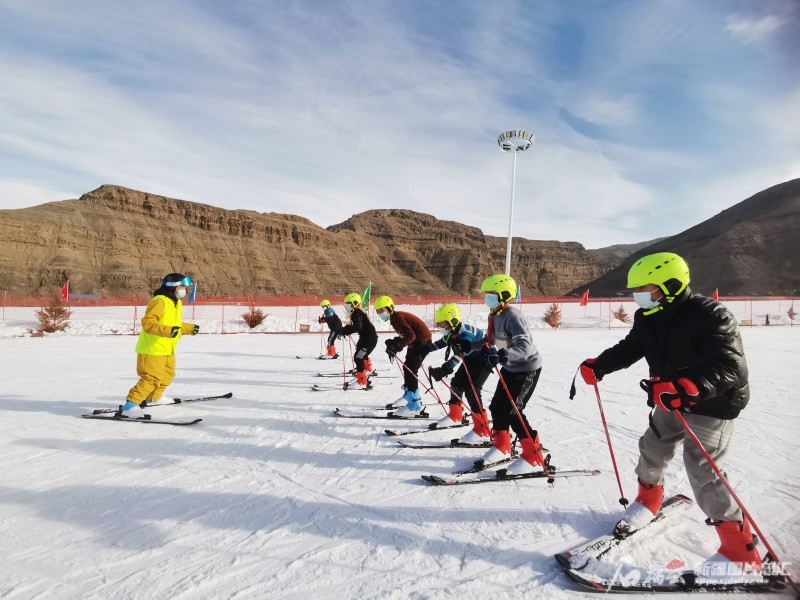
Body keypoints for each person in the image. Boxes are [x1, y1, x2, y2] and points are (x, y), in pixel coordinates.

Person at [579, 252, 761, 576]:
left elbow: (732, 366)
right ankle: (649, 500)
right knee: (652, 447)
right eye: (636, 290)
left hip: (713, 403)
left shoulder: (711, 315)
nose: (639, 297)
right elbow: (631, 348)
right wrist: (601, 364)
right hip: (670, 399)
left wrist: (690, 386)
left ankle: (740, 550)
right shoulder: (647, 316)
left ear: (671, 286)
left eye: (646, 289)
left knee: (703, 469)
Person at [478, 274, 546, 475]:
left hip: (527, 368)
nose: (487, 298)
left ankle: (533, 456)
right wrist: (470, 345)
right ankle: (502, 446)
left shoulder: (513, 317)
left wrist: (504, 355)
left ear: (504, 295)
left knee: (512, 410)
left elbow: (525, 347)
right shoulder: (494, 315)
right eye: (486, 294)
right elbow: (488, 340)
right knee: (497, 406)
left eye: (491, 294)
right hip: (510, 367)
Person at [119, 273, 199, 417]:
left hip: (167, 348)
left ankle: (153, 398)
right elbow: (148, 323)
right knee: (152, 378)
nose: (184, 290)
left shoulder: (176, 302)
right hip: (152, 349)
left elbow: (174, 324)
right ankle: (130, 405)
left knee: (167, 375)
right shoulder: (159, 301)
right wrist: (168, 331)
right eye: (182, 286)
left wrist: (189, 328)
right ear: (173, 286)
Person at [425, 304, 492, 437]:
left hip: (484, 359)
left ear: (453, 322)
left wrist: (446, 368)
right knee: (456, 384)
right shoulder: (452, 332)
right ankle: (455, 416)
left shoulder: (465, 333)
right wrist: (423, 349)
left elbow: (461, 353)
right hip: (472, 359)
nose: (439, 326)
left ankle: (482, 429)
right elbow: (441, 343)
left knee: (472, 391)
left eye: (442, 324)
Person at [374, 295, 432, 418]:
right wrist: (394, 342)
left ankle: (415, 405)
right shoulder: (395, 318)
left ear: (390, 308)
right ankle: (409, 395)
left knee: (411, 370)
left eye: (382, 310)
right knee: (407, 367)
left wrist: (397, 346)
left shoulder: (398, 318)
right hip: (417, 343)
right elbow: (404, 335)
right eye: (378, 311)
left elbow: (411, 336)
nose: (380, 313)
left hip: (422, 343)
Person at [337, 292, 377, 389]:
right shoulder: (358, 312)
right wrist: (346, 329)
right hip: (366, 338)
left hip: (369, 339)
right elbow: (358, 327)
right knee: (360, 354)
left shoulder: (356, 313)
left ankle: (362, 381)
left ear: (354, 303)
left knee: (358, 357)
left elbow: (357, 327)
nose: (346, 306)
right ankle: (365, 372)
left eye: (348, 304)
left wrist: (346, 330)